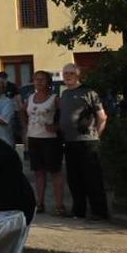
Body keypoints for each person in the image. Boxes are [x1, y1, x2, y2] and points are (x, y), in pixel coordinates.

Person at [58, 63, 110, 220]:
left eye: (71, 73)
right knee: (74, 178)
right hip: (70, 142)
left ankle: (99, 212)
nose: (68, 76)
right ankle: (78, 211)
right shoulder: (65, 94)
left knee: (92, 178)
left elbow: (102, 117)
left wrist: (97, 135)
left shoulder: (89, 92)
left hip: (87, 142)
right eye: (65, 73)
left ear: (78, 75)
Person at [22, 69, 64, 214]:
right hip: (34, 138)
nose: (38, 82)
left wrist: (56, 126)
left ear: (48, 82)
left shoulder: (55, 98)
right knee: (38, 172)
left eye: (42, 79)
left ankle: (59, 205)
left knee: (55, 172)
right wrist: (25, 128)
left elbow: (64, 115)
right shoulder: (30, 97)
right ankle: (39, 203)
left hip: (50, 140)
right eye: (36, 79)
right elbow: (22, 113)